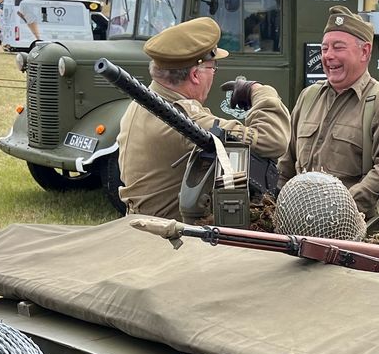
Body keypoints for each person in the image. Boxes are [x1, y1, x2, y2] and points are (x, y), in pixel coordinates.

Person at [117, 16, 291, 219]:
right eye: (212, 67)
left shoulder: (141, 104)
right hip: (178, 241)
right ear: (195, 75)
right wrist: (260, 91)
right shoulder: (183, 120)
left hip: (147, 227)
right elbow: (273, 140)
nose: (214, 73)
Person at [279, 5, 379, 217]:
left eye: (338, 47)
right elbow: (287, 163)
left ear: (364, 51)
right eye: (324, 49)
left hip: (353, 227)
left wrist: (343, 205)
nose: (328, 56)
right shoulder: (308, 97)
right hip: (298, 220)